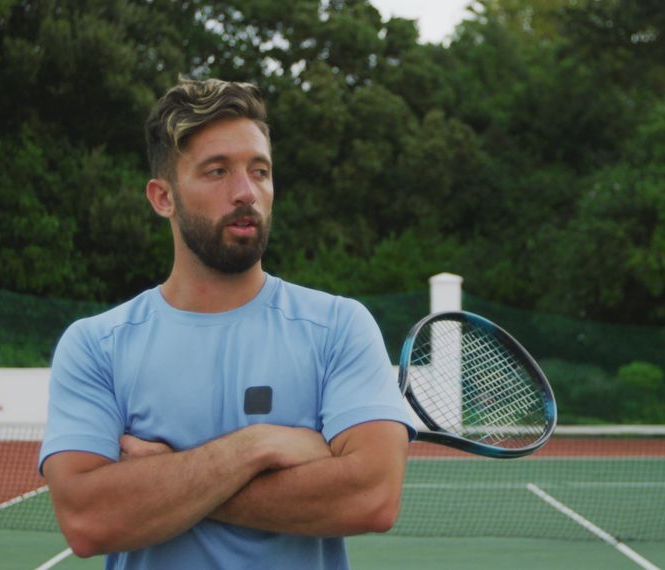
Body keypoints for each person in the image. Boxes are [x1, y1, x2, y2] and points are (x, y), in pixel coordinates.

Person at [39, 77, 415, 569]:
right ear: (162, 197)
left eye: (259, 171)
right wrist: (259, 446)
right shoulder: (96, 346)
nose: (245, 192)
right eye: (216, 172)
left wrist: (164, 483)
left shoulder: (339, 327)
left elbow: (372, 497)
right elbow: (89, 521)